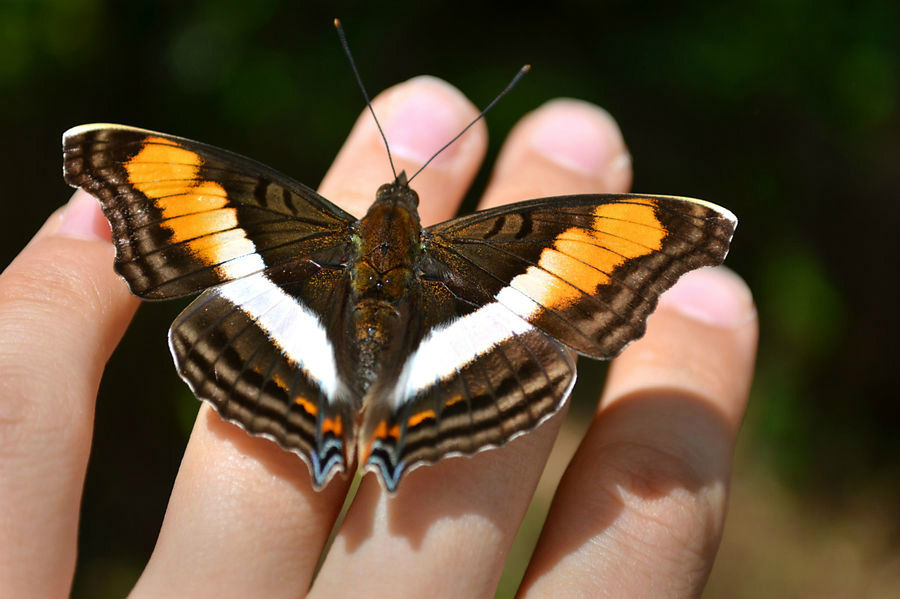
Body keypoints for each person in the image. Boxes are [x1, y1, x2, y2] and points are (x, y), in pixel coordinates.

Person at [0, 77, 757, 598]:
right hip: (441, 339)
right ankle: (384, 428)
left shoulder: (286, 217)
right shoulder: (507, 239)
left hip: (313, 325)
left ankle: (339, 420)